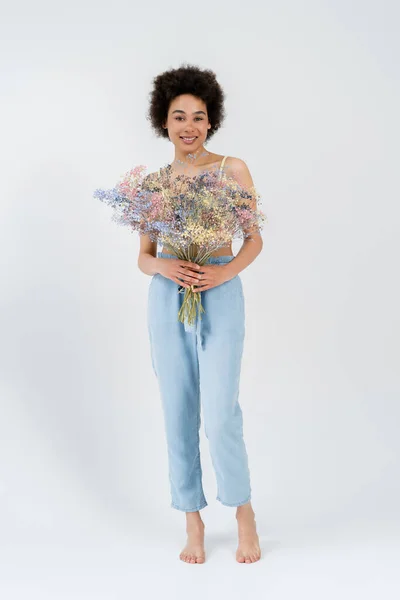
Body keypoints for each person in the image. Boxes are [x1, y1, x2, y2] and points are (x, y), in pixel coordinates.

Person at [138, 65, 263, 564]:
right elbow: (144, 256)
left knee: (220, 411)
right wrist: (165, 265)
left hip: (220, 290)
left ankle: (243, 512)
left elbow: (254, 239)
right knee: (177, 408)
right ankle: (192, 521)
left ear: (211, 122)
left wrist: (223, 272)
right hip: (169, 297)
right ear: (163, 122)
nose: (189, 126)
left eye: (199, 117)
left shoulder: (232, 168)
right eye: (178, 117)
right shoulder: (153, 182)